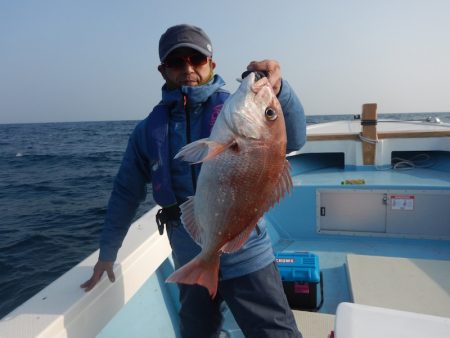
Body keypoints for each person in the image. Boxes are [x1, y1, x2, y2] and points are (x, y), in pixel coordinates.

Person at [81, 24, 306, 338]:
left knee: (275, 332)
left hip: (248, 254)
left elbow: (292, 139)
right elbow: (125, 192)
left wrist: (280, 91)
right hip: (191, 257)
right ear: (163, 70)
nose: (188, 68)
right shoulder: (147, 131)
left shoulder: (235, 106)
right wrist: (108, 252)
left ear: (212, 64)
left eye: (197, 59)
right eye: (176, 62)